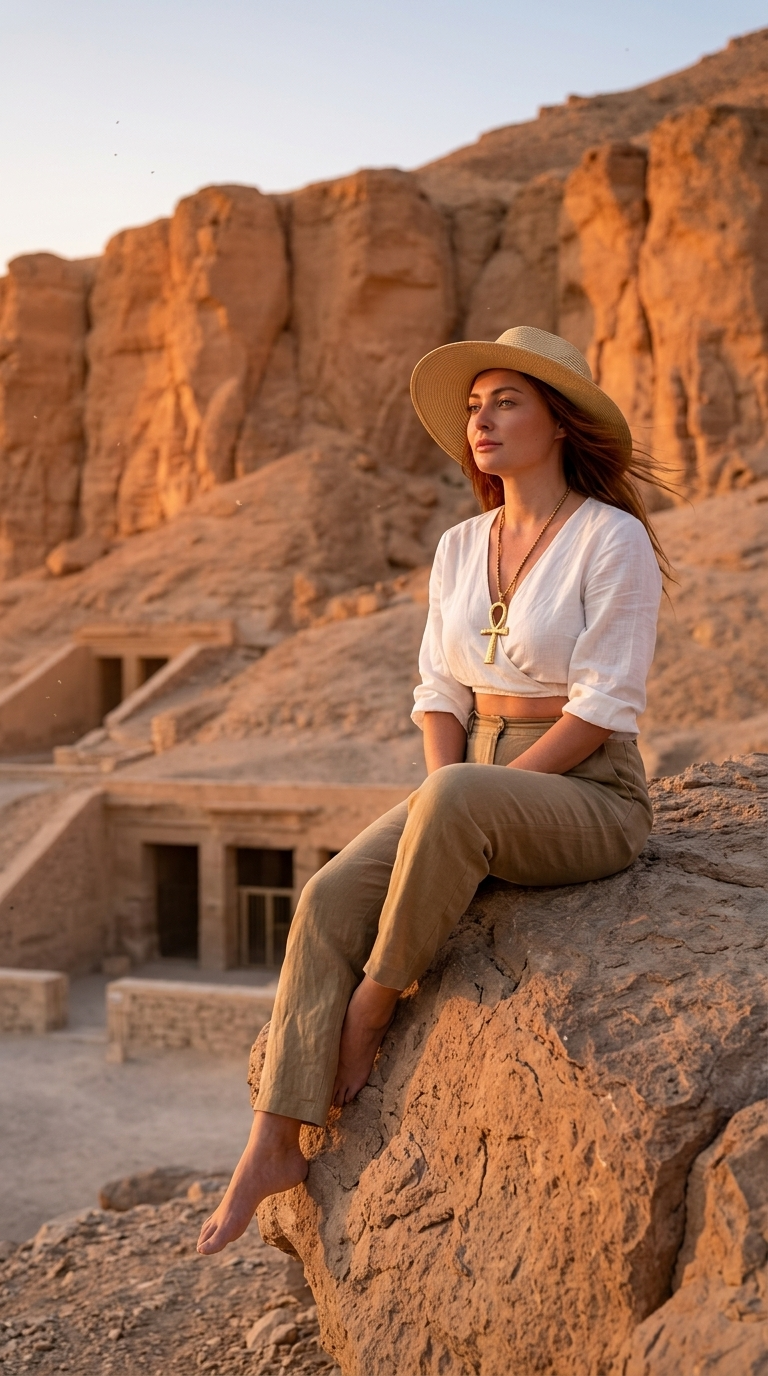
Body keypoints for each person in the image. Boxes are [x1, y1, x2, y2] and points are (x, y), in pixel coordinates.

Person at [197, 325, 667, 1256]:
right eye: (472, 405)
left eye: (506, 401)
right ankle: (270, 1141)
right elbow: (437, 691)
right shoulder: (459, 545)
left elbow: (602, 711)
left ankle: (371, 1011)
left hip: (587, 787)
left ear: (561, 424)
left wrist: (467, 802)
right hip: (472, 768)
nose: (480, 420)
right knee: (329, 893)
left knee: (452, 806)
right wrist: (453, 799)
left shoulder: (612, 540)